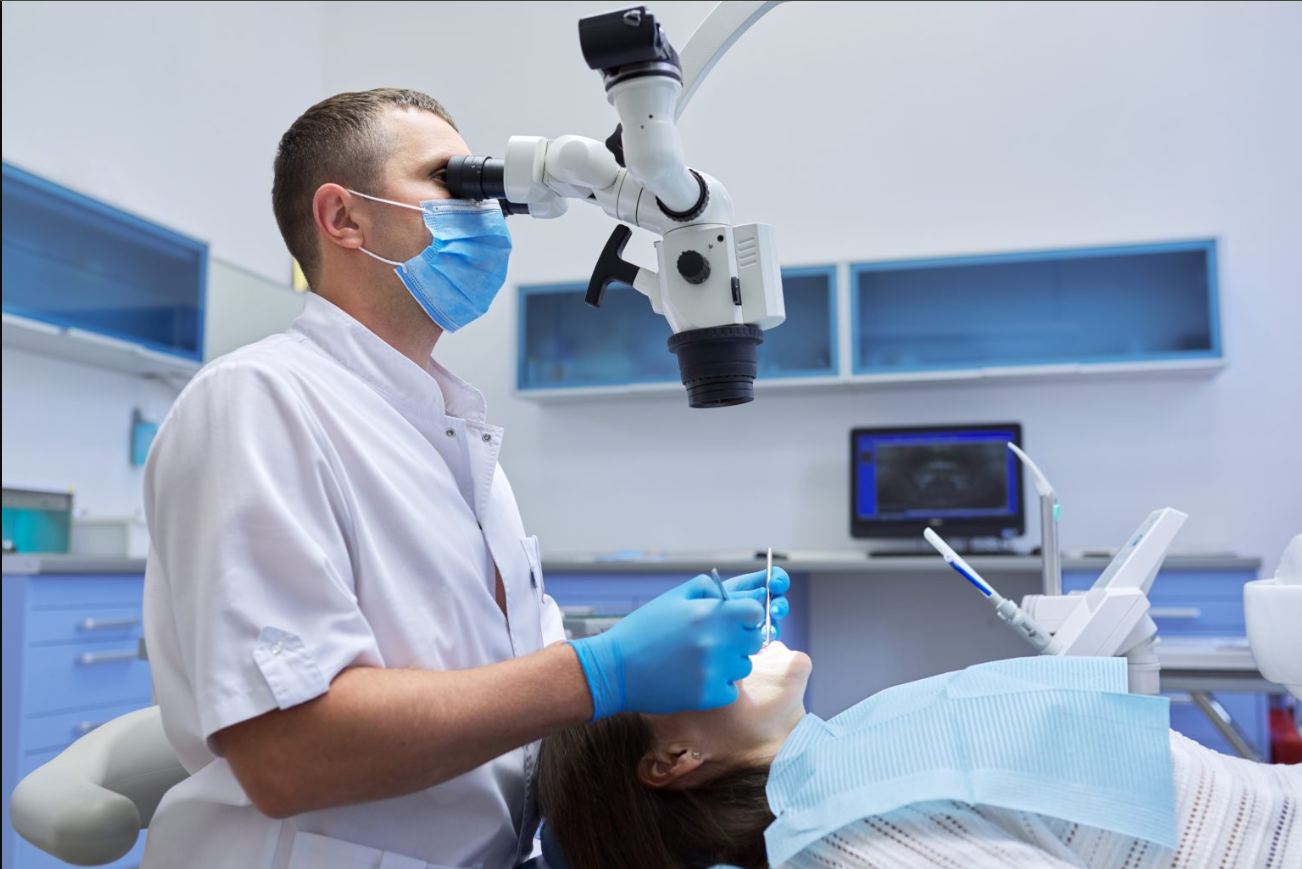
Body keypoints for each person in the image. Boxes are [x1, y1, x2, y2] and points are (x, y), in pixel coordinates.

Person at [140, 87, 790, 869]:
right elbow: (290, 754)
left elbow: (491, 678)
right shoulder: (259, 401)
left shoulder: (446, 427)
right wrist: (603, 670)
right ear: (344, 218)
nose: (485, 211)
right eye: (453, 182)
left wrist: (652, 654)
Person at [537, 644, 1302, 869]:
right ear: (674, 756)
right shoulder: (849, 842)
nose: (710, 630)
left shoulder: (840, 767)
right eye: (672, 657)